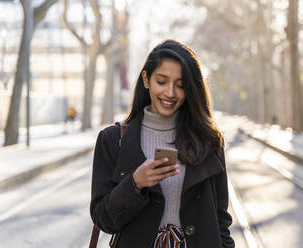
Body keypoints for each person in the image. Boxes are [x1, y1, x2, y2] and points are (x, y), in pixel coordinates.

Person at [90, 39, 235, 248]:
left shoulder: (208, 140)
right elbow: (102, 219)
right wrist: (135, 183)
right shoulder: (113, 140)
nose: (170, 93)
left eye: (181, 85)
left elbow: (221, 219)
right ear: (146, 79)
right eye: (162, 81)